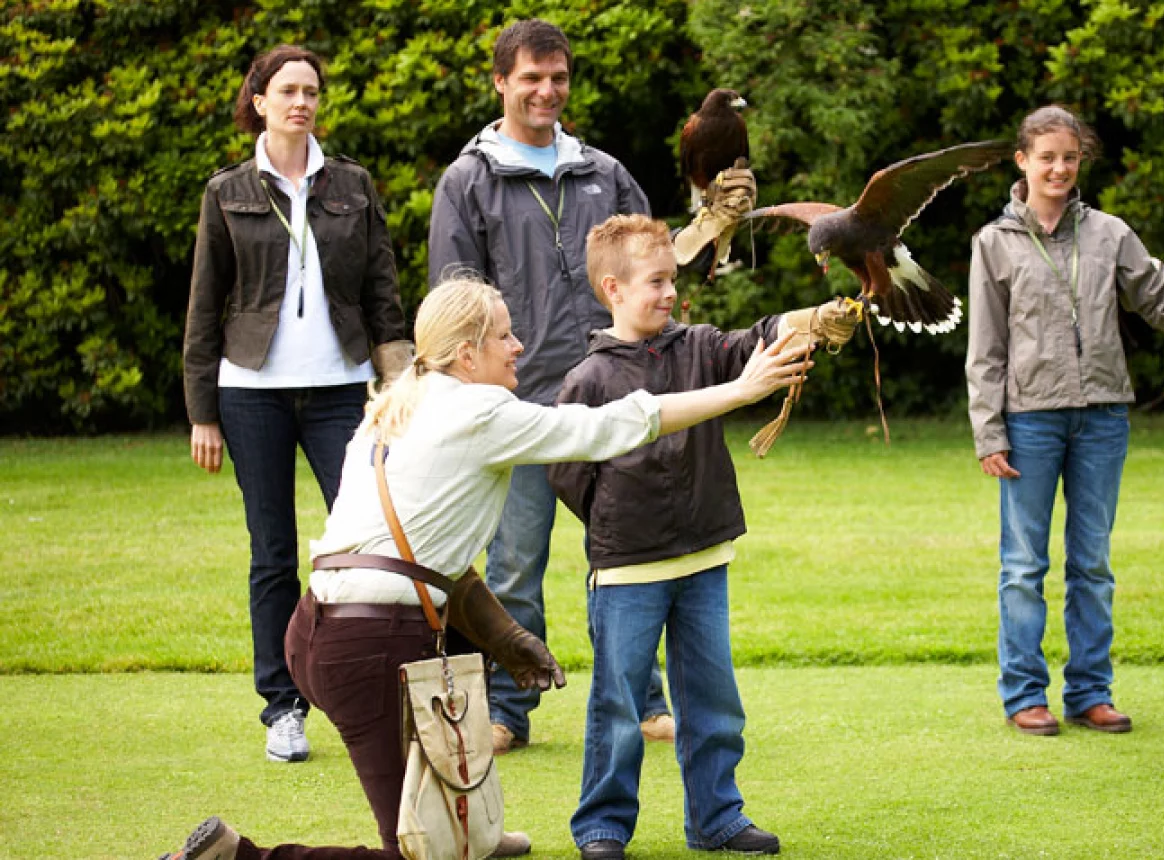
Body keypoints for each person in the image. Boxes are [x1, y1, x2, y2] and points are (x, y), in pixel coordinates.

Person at [159, 274, 815, 860]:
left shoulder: (400, 399)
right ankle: (240, 857)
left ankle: (473, 838)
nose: (519, 346)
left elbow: (425, 559)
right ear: (466, 353)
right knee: (420, 856)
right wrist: (739, 390)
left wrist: (504, 636)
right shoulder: (480, 411)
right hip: (369, 646)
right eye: (504, 336)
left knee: (451, 828)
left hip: (323, 629)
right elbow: (615, 425)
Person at [427, 18, 755, 754]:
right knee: (515, 565)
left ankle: (643, 700)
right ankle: (509, 709)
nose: (547, 91)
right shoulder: (467, 181)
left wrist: (712, 227)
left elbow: (652, 264)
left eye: (559, 77)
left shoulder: (604, 172)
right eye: (532, 78)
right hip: (517, 406)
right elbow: (455, 299)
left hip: (621, 397)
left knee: (632, 560)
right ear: (501, 83)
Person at [548, 216, 859, 860]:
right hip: (627, 569)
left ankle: (717, 817)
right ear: (613, 288)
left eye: (673, 280)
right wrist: (620, 522)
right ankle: (602, 827)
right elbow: (567, 474)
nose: (669, 293)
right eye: (655, 282)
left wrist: (820, 316)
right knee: (618, 704)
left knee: (713, 698)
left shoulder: (698, 346)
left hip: (705, 556)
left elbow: (761, 337)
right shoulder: (586, 379)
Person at [965, 105, 1164, 737]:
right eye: (1047, 156)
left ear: (1082, 163)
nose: (1059, 167)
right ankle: (1025, 694)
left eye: (1070, 157)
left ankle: (1089, 692)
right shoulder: (992, 243)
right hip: (1028, 421)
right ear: (1022, 161)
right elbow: (985, 348)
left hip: (1104, 416)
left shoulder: (1109, 233)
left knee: (1093, 563)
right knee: (1023, 566)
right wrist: (988, 431)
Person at [183, 44, 412, 763]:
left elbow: (383, 290)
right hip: (249, 393)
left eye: (311, 90)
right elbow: (203, 306)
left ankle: (375, 688)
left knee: (365, 545)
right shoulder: (227, 192)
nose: (301, 101)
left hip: (341, 389)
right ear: (259, 100)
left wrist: (401, 384)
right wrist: (201, 412)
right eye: (286, 90)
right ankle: (283, 706)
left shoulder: (350, 183)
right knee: (273, 553)